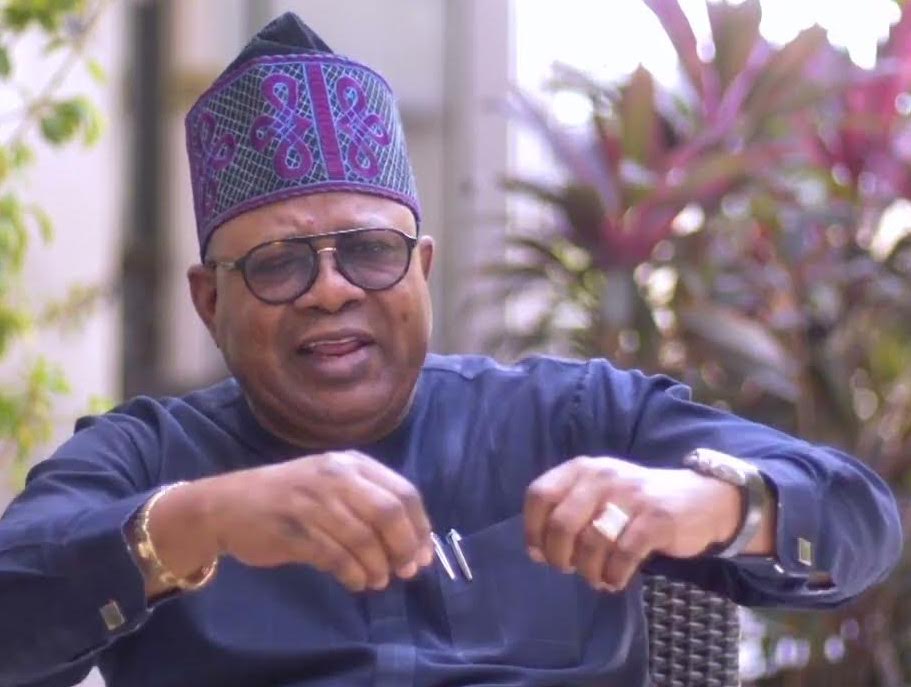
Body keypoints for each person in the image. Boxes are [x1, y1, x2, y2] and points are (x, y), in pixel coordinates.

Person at [0, 12, 902, 687]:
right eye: (277, 263)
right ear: (209, 301)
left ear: (421, 268)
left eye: (370, 251)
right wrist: (197, 521)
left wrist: (710, 503)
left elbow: (860, 519)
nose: (331, 289)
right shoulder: (152, 455)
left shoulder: (573, 416)